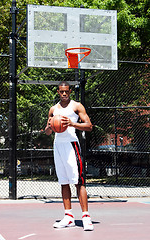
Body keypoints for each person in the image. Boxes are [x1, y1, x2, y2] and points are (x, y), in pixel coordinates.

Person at [45, 81, 94, 231]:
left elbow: (89, 126)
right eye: (61, 91)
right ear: (58, 92)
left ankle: (86, 217)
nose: (64, 94)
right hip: (58, 145)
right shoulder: (53, 109)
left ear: (70, 91)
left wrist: (72, 124)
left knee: (78, 181)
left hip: (71, 145)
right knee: (64, 181)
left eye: (66, 91)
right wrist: (49, 126)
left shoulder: (76, 106)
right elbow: (47, 132)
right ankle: (69, 217)